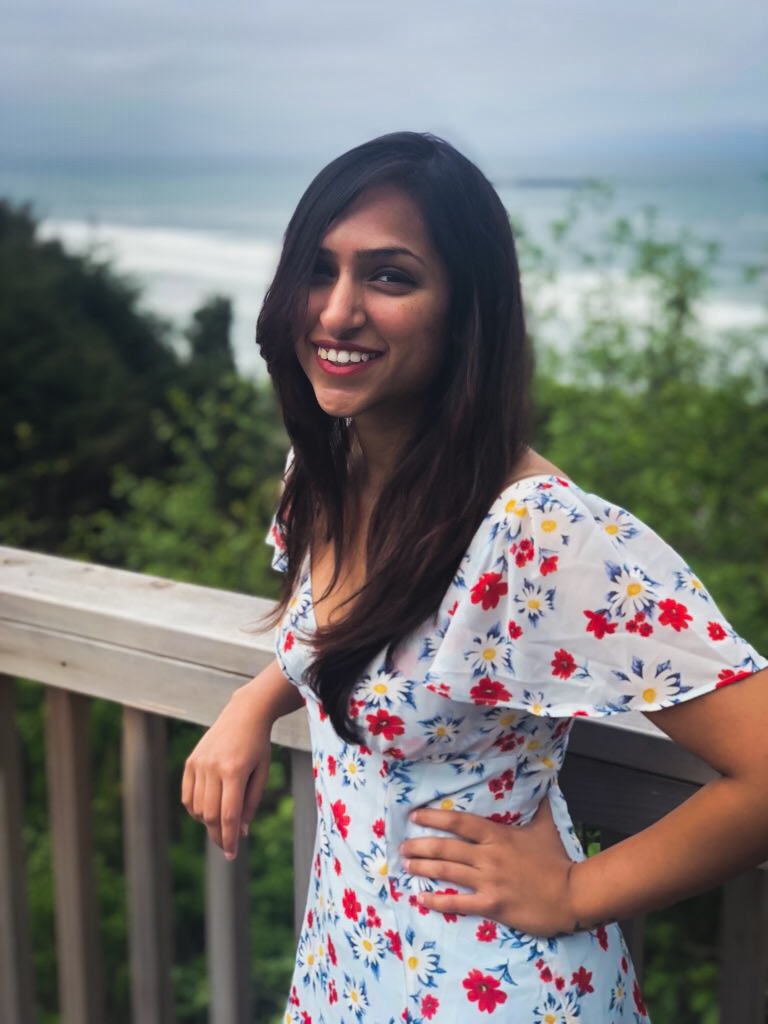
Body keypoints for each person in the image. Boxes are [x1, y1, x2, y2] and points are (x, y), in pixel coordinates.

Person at [182, 132, 768, 1023]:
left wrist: (574, 893)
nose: (337, 312)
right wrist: (255, 700)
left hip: (490, 986)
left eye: (389, 276)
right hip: (349, 959)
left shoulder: (536, 534)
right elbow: (363, 635)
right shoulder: (323, 473)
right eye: (319, 269)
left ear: (466, 311)